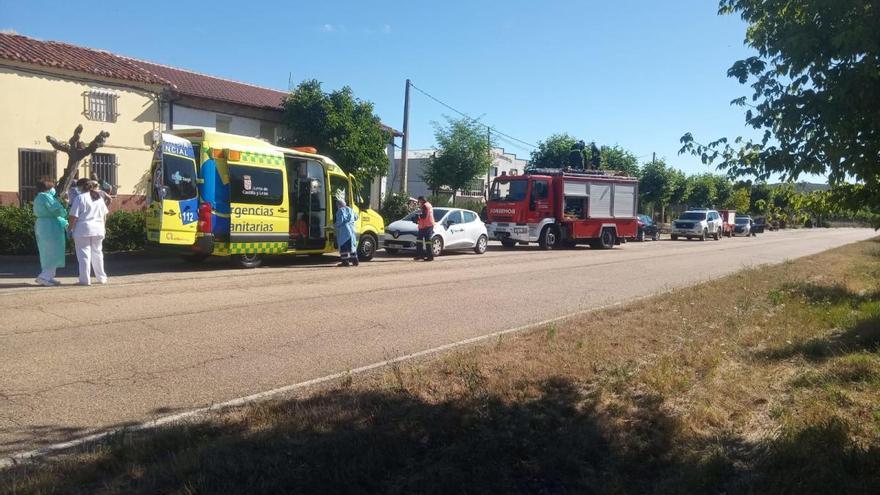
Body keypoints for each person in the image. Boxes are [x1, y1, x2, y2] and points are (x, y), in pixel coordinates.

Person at [68, 180, 109, 285]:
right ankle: (101, 278)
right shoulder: (99, 198)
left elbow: (73, 216)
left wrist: (70, 229)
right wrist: (103, 227)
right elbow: (104, 215)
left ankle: (85, 279)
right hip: (98, 228)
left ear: (82, 188)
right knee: (98, 254)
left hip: (83, 229)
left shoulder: (80, 198)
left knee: (84, 255)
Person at [32, 180, 68, 286]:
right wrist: (64, 204)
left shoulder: (40, 197)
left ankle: (49, 276)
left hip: (46, 225)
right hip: (49, 227)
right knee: (51, 251)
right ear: (48, 188)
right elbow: (57, 210)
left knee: (49, 251)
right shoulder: (45, 196)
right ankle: (44, 276)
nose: (54, 189)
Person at [333, 198, 359, 267]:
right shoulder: (351, 210)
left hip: (344, 232)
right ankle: (355, 261)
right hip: (352, 231)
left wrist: (334, 226)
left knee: (343, 247)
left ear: (339, 205)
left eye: (337, 205)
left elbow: (340, 221)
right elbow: (356, 217)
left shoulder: (340, 211)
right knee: (352, 247)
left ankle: (345, 262)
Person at [414, 196, 435, 261]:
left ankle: (428, 257)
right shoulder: (428, 205)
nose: (419, 202)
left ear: (422, 200)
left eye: (419, 201)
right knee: (421, 241)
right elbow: (424, 214)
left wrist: (418, 217)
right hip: (426, 225)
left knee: (426, 241)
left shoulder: (425, 206)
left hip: (426, 226)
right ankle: (422, 256)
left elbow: (424, 216)